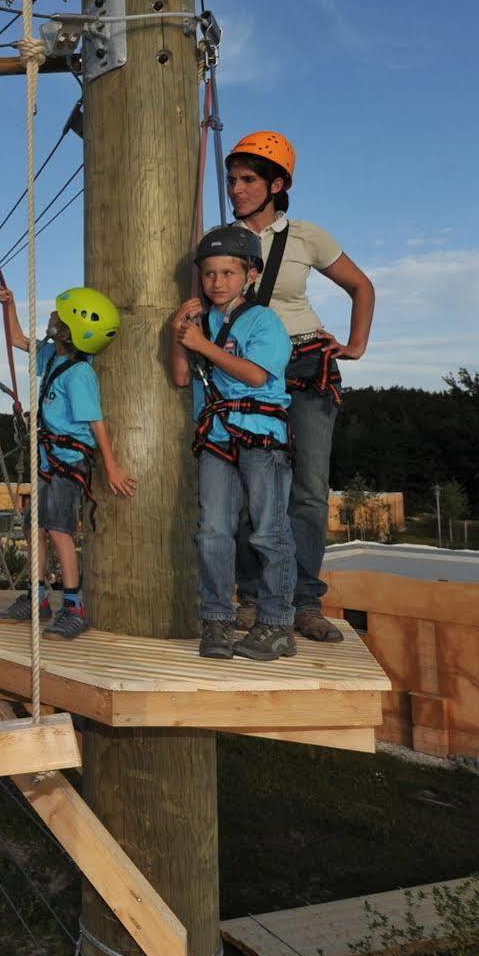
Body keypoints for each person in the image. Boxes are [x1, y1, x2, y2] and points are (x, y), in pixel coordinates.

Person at [225, 132, 376, 644]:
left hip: (307, 368)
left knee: (307, 493)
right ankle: (252, 598)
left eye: (248, 180)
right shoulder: (223, 241)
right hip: (248, 375)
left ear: (277, 184)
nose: (236, 189)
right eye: (232, 179)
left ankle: (305, 604)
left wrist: (356, 345)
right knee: (248, 491)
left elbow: (361, 286)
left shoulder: (307, 236)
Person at [170, 224, 297, 662]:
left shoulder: (264, 321)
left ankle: (278, 624)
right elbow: (182, 377)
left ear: (250, 276)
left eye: (228, 273)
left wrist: (202, 344)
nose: (217, 283)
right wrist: (178, 334)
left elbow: (257, 375)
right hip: (217, 438)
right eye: (209, 274)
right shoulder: (200, 323)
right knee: (213, 533)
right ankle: (217, 621)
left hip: (261, 437)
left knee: (269, 531)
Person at [0, 285, 138, 640]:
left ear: (71, 329)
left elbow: (96, 422)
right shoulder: (53, 357)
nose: (52, 318)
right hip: (47, 458)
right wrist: (9, 305)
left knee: (59, 530)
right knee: (35, 528)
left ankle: (74, 606)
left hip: (66, 462)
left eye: (58, 316)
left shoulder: (80, 374)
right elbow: (16, 339)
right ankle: (39, 596)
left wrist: (112, 465)